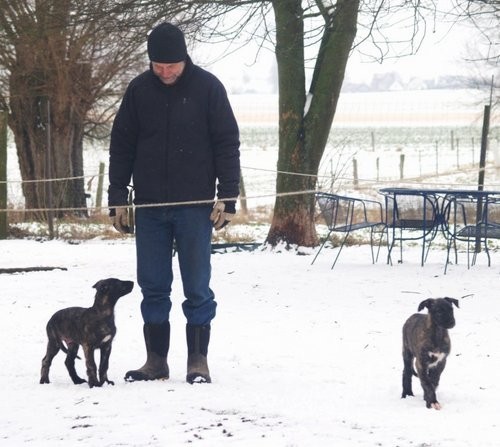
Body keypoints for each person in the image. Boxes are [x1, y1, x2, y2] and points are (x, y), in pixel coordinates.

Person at [107, 22, 240, 384]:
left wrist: (228, 195)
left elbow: (227, 143)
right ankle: (155, 361)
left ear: (184, 59)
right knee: (153, 285)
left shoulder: (208, 88)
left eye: (172, 66)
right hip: (150, 207)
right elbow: (122, 145)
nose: (165, 72)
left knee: (197, 286)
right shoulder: (138, 90)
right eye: (158, 66)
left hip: (195, 206)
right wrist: (117, 196)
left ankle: (198, 360)